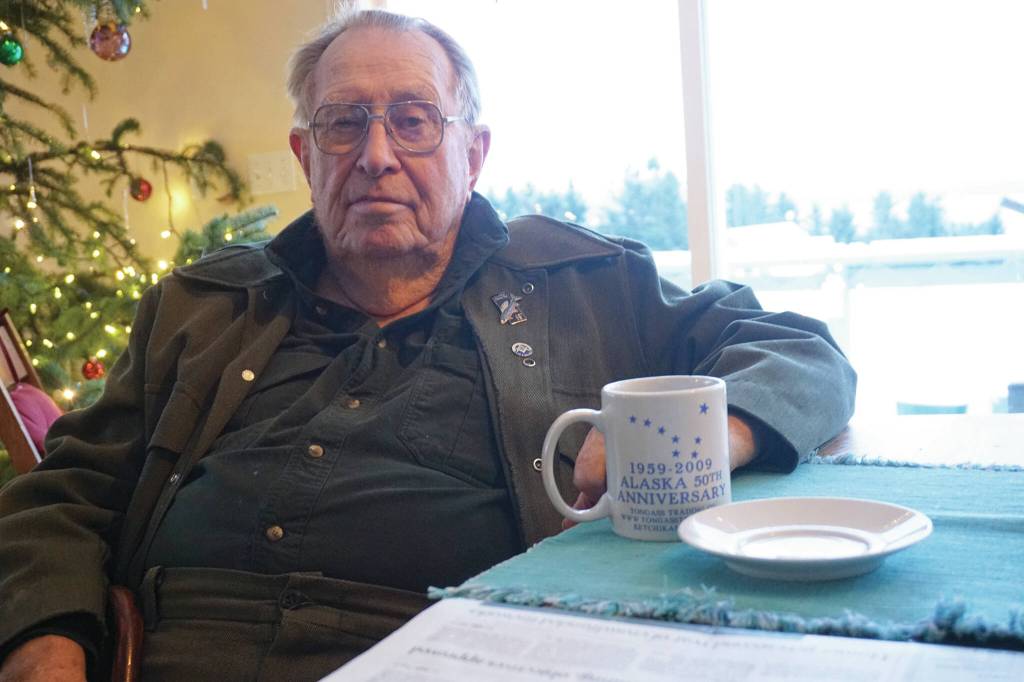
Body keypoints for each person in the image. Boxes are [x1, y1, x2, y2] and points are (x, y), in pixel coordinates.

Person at [0, 8, 856, 681]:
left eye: (414, 121)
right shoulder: (200, 307)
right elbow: (63, 492)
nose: (376, 155)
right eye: (343, 124)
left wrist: (720, 427)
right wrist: (44, 643)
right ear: (306, 155)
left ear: (472, 154)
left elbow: (797, 349)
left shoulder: (585, 286)